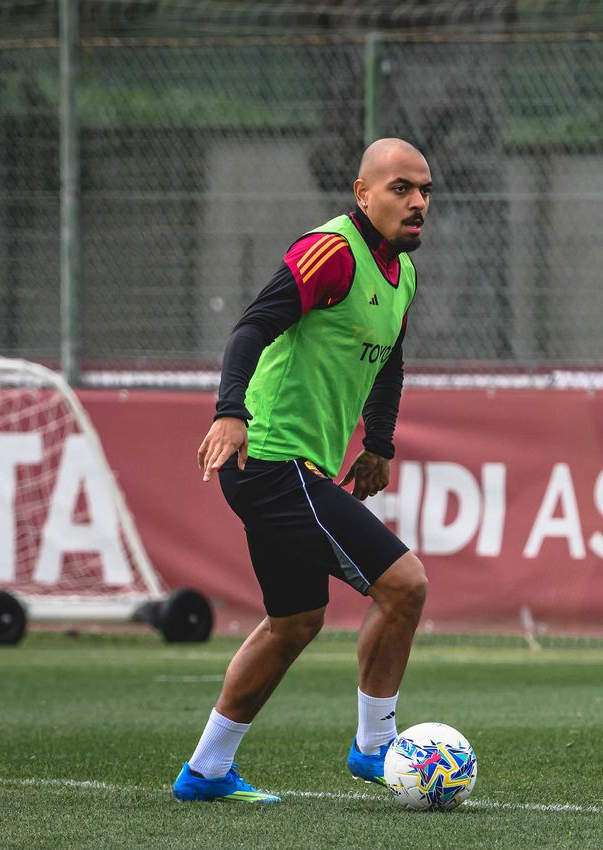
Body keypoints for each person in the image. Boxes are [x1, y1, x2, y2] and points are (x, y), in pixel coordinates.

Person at [172, 138, 433, 804]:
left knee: (295, 621)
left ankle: (204, 772)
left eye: (426, 191)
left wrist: (378, 442)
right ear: (362, 193)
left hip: (295, 463)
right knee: (404, 586)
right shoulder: (331, 250)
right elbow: (251, 327)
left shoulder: (401, 273)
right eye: (401, 188)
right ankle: (376, 747)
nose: (418, 203)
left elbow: (389, 360)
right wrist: (229, 412)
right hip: (268, 456)